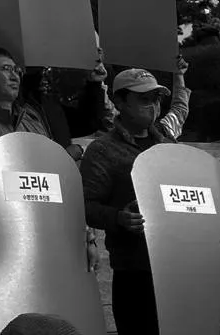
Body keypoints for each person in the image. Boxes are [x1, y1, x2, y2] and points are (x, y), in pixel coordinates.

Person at [0, 46, 96, 335]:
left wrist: (86, 237)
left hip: (42, 254)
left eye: (16, 70)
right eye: (5, 69)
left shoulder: (33, 121)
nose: (14, 76)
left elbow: (58, 187)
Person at [78, 65, 192, 335]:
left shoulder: (168, 144)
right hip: (135, 270)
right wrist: (119, 218)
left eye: (156, 99)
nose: (153, 106)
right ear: (119, 102)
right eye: (144, 99)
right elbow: (85, 206)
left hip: (179, 263)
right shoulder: (102, 150)